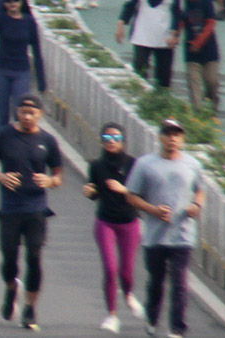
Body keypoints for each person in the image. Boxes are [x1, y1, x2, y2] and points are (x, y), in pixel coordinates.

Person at [0, 94, 63, 332]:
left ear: (40, 114)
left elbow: (58, 175)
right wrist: (0, 176)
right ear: (17, 112)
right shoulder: (5, 135)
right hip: (10, 207)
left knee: (34, 257)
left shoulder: (47, 140)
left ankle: (29, 308)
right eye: (23, 112)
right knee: (9, 258)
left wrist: (49, 181)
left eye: (32, 113)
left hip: (36, 208)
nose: (27, 117)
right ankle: (11, 288)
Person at [121, 119, 205, 338]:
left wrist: (196, 205)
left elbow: (200, 190)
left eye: (176, 135)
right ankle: (151, 317)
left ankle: (177, 328)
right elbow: (131, 195)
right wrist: (152, 210)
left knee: (180, 282)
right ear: (160, 137)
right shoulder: (145, 164)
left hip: (183, 234)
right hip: (155, 236)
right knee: (156, 282)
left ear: (182, 138)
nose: (172, 139)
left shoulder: (192, 164)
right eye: (168, 134)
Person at [81, 123, 145, 334]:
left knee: (126, 271)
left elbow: (141, 196)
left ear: (123, 142)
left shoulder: (133, 164)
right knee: (110, 269)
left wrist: (123, 189)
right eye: (106, 137)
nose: (111, 141)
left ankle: (127, 294)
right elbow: (95, 194)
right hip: (105, 222)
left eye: (116, 138)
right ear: (101, 141)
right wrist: (89, 191)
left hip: (128, 222)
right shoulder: (97, 166)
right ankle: (111, 315)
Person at [115, 0, 182, 89]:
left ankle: (161, 106)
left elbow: (176, 11)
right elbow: (131, 3)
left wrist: (174, 34)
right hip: (142, 35)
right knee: (139, 73)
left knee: (163, 79)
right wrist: (120, 24)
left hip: (164, 37)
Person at [0, 0, 46, 128]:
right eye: (9, 0)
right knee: (3, 116)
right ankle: (0, 148)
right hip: (0, 70)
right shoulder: (1, 18)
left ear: (22, 2)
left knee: (19, 113)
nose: (12, 4)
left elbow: (37, 51)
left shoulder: (29, 21)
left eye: (16, 0)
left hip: (21, 72)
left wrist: (41, 81)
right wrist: (0, 0)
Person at [179, 0, 221, 111]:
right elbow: (179, 23)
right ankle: (198, 113)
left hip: (209, 50)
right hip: (191, 51)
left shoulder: (206, 2)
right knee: (194, 83)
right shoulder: (183, 4)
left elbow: (210, 24)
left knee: (212, 82)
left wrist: (199, 42)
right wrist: (174, 36)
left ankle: (212, 100)